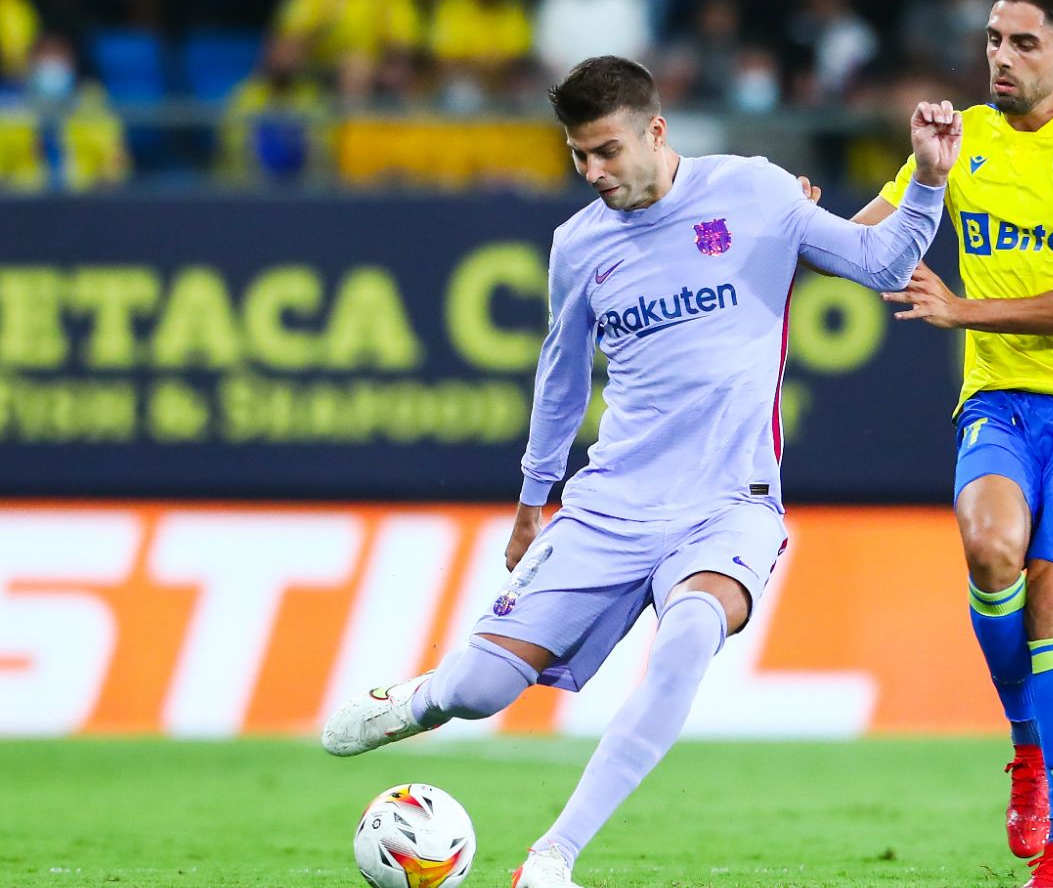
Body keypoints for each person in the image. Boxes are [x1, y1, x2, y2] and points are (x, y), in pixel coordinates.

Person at [321, 55, 962, 888]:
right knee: (480, 693)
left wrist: (930, 180)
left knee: (690, 637)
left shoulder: (756, 192)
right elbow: (560, 380)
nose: (592, 173)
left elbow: (879, 264)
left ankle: (552, 856)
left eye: (606, 151)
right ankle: (416, 702)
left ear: (656, 131)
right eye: (578, 156)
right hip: (611, 504)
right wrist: (531, 497)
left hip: (731, 502)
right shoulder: (578, 245)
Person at [852, 0, 1053, 885]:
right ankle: (1026, 741)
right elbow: (865, 241)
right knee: (990, 551)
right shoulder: (963, 140)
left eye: (1025, 43)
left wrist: (963, 309)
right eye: (993, 40)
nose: (1002, 58)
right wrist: (785, 218)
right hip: (1000, 403)